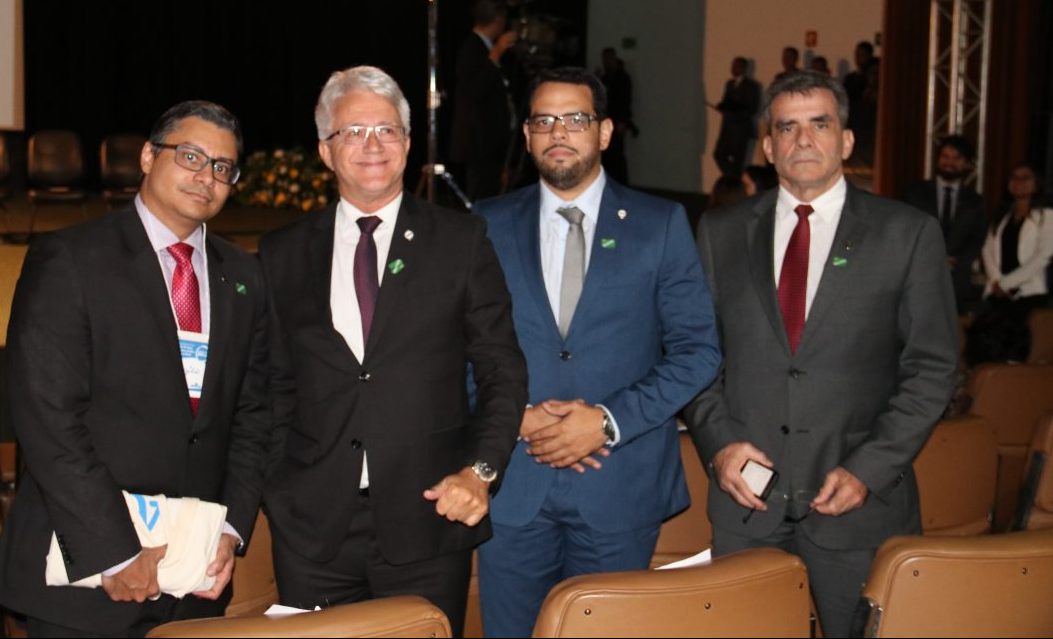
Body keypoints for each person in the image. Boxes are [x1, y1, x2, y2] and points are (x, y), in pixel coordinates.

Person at [685, 71, 958, 638]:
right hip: (747, 505)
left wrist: (869, 469)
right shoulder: (720, 231)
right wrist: (719, 444)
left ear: (847, 141)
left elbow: (933, 369)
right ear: (768, 146)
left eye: (820, 124)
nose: (803, 139)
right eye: (787, 127)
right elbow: (695, 355)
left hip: (858, 504)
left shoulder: (906, 234)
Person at [258, 65, 527, 637]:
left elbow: (502, 369)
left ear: (407, 143)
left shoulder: (461, 241)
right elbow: (272, 384)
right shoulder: (282, 254)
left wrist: (480, 472)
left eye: (387, 130)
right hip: (312, 530)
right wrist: (279, 487)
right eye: (353, 132)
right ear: (325, 151)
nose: (372, 145)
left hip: (430, 519)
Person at [0, 100, 271, 636]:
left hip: (192, 580)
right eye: (190, 156)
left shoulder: (244, 276)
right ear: (148, 157)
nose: (206, 176)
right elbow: (49, 420)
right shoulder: (70, 259)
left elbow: (256, 413)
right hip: (86, 578)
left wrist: (229, 530)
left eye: (222, 167)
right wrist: (115, 552)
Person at [474, 66, 722, 638]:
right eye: (544, 120)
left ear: (605, 132)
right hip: (513, 484)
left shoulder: (661, 224)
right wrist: (512, 418)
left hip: (619, 483)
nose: (559, 132)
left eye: (576, 118)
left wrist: (608, 422)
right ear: (527, 135)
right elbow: (457, 348)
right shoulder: (485, 224)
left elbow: (698, 351)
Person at [901, 135, 987, 312]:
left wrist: (957, 260)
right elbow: (905, 230)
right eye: (945, 156)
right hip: (919, 274)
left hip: (957, 280)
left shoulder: (975, 201)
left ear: (966, 164)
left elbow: (978, 237)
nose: (949, 163)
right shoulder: (915, 193)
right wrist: (934, 256)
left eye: (956, 158)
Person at [450, 0, 518, 202]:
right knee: (482, 195)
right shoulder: (472, 47)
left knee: (493, 192)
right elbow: (473, 90)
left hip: (491, 140)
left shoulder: (485, 47)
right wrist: (495, 54)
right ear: (498, 20)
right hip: (480, 141)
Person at [981, 162, 1053, 314]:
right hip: (996, 293)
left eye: (1025, 177)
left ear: (1037, 183)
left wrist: (1007, 283)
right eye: (1014, 177)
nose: (1018, 181)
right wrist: (996, 281)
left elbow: (1043, 256)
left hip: (1029, 293)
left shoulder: (1047, 216)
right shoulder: (1002, 215)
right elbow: (987, 250)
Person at [713, 56, 761, 177]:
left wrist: (736, 108)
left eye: (736, 66)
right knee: (719, 155)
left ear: (743, 68)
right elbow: (726, 101)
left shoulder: (752, 86)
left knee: (738, 161)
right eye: (732, 65)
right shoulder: (729, 84)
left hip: (741, 129)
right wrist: (722, 107)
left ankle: (734, 181)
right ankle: (732, 179)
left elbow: (753, 108)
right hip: (727, 128)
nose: (733, 68)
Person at [597, 46, 635, 185]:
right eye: (605, 59)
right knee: (607, 154)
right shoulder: (605, 78)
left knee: (617, 155)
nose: (607, 62)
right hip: (607, 119)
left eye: (609, 58)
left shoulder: (622, 78)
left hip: (618, 121)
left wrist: (623, 121)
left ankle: (621, 184)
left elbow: (625, 100)